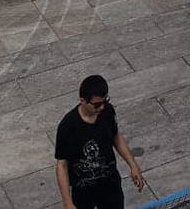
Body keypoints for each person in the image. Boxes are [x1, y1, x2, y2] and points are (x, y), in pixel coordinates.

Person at [54, 75, 144, 209]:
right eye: (96, 105)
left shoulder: (108, 111)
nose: (101, 107)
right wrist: (67, 202)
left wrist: (133, 165)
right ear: (83, 100)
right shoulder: (68, 127)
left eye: (105, 101)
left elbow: (116, 137)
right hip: (83, 189)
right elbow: (62, 165)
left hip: (110, 184)